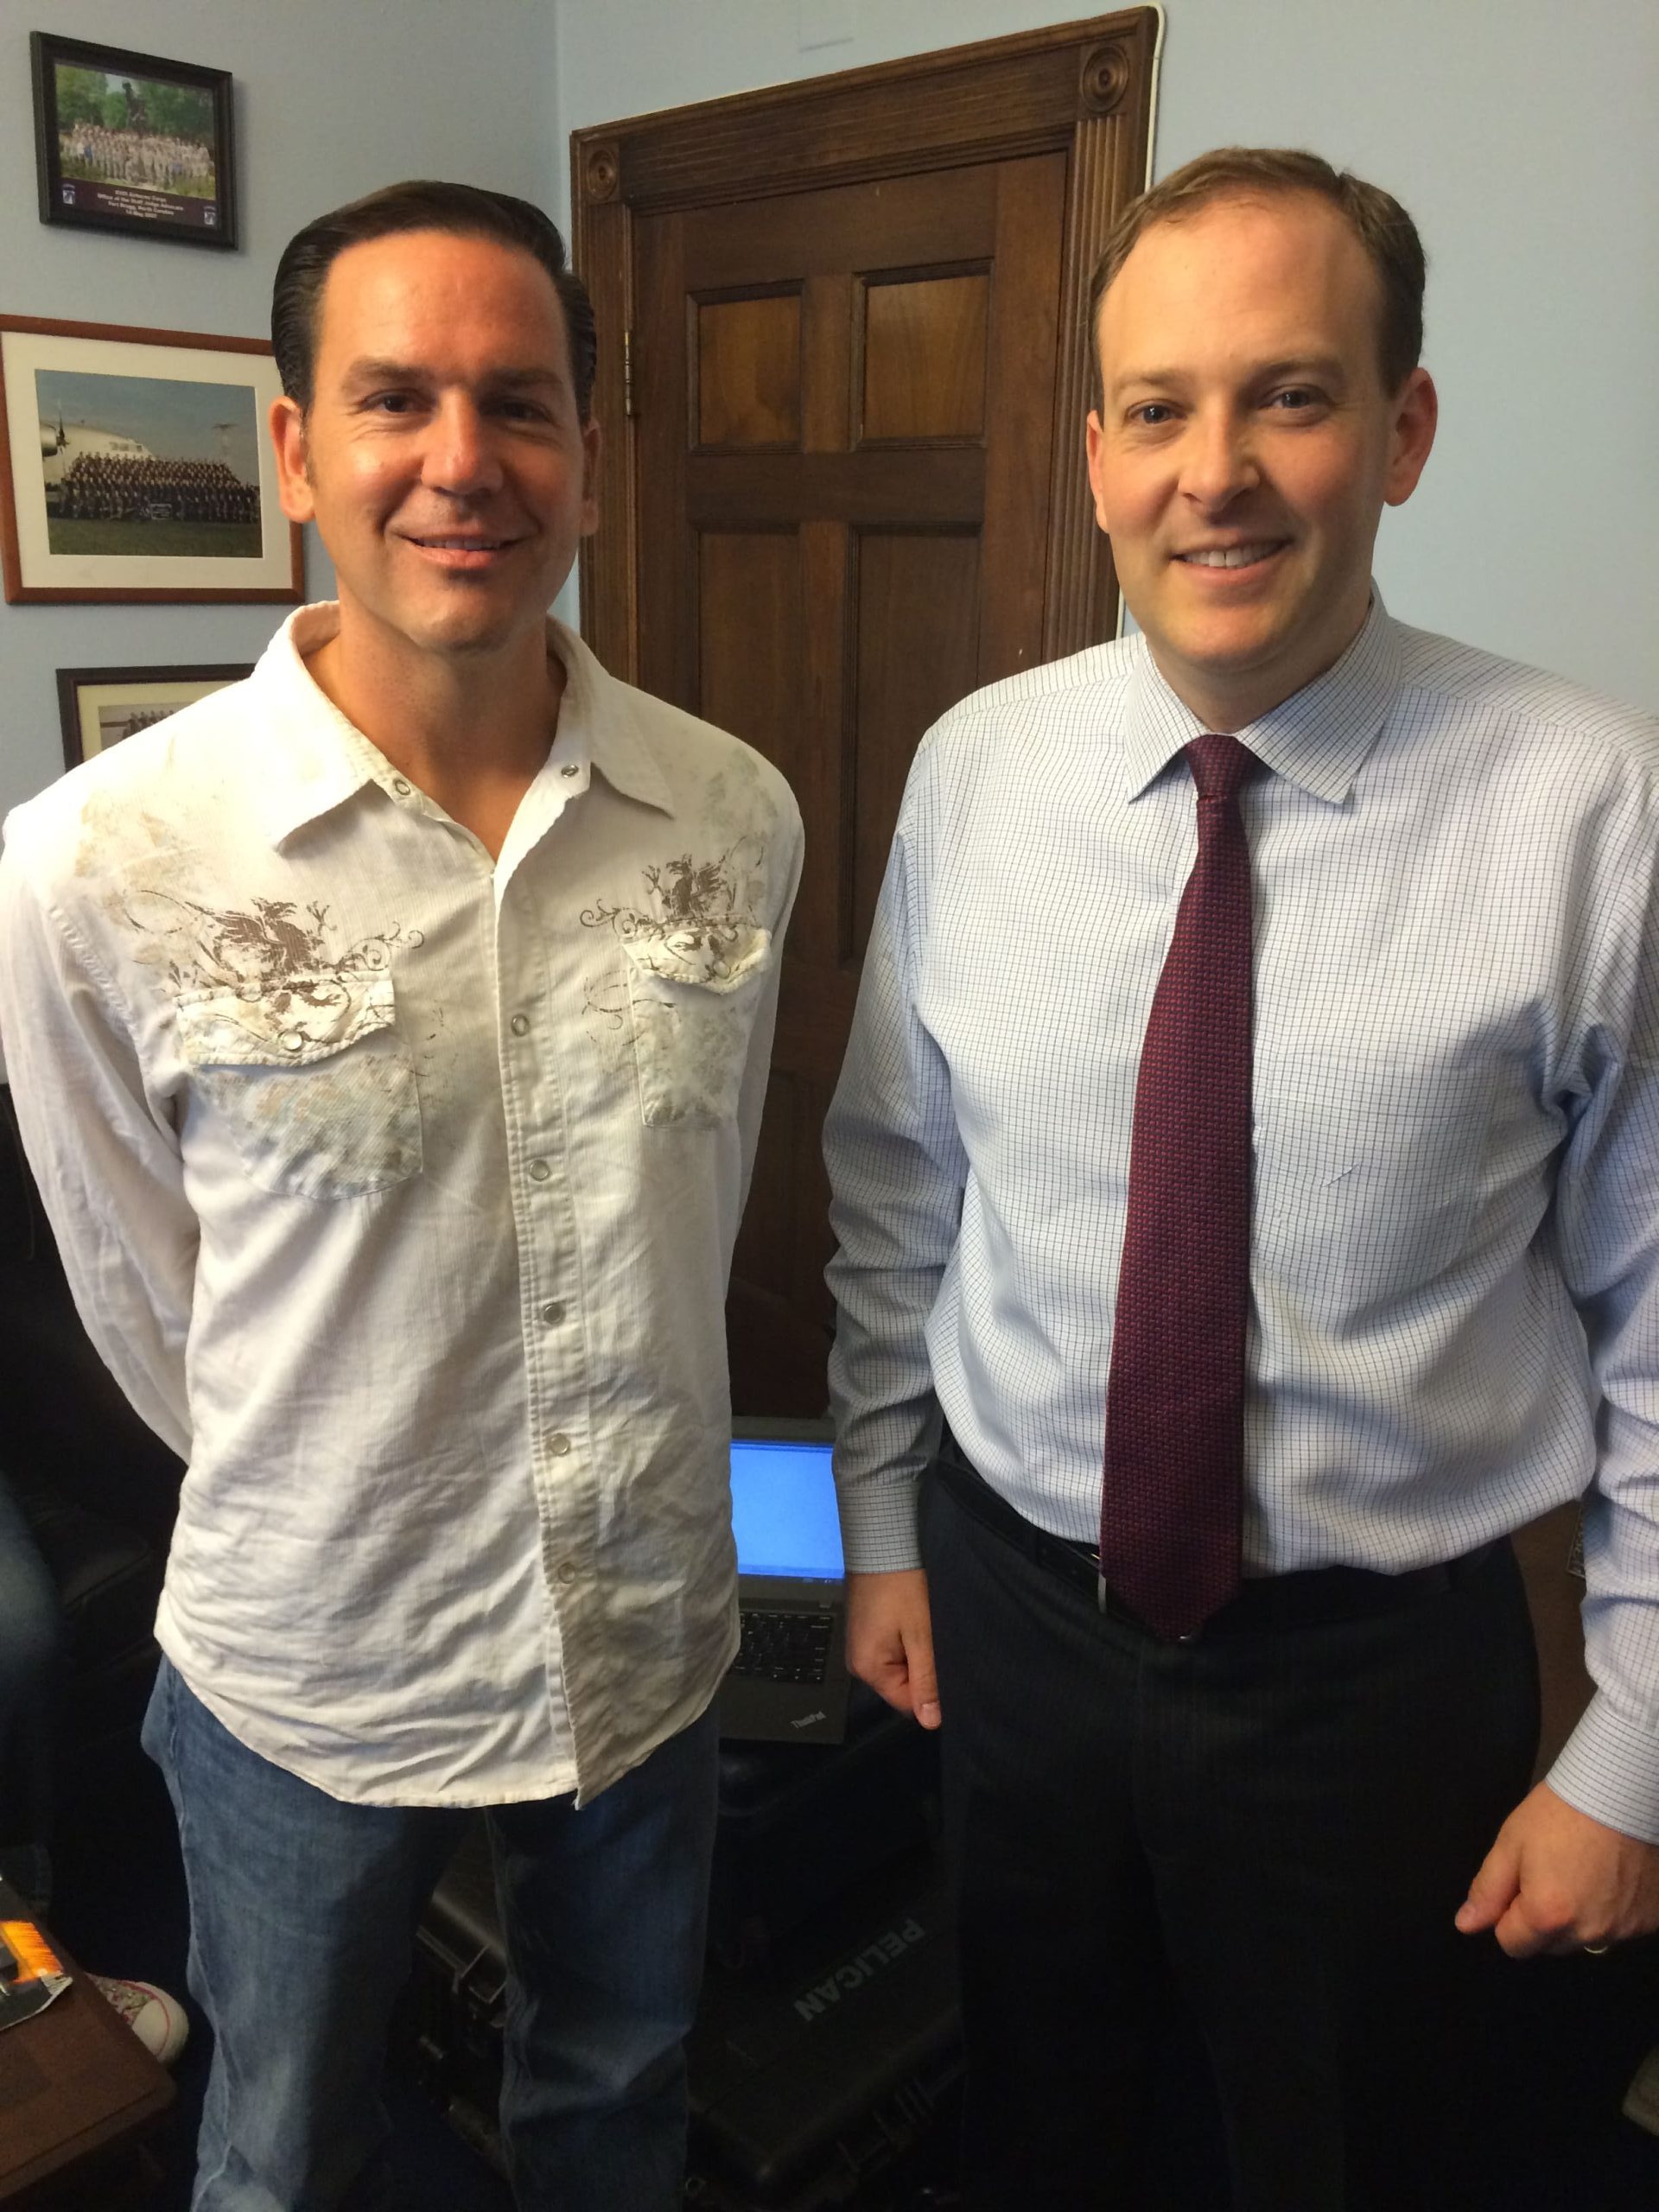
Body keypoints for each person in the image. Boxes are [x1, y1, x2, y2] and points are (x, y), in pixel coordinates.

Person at [822, 145, 1659, 2211]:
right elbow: (897, 1180)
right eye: (1160, 409)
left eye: (1290, 396)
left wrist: (1635, 1747)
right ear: (1096, 457)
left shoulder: (1590, 804)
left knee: (1356, 2157)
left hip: (1375, 1681)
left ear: (1404, 427)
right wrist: (882, 1523)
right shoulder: (975, 768)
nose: (1220, 472)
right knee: (1036, 2125)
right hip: (1013, 1619)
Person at [0, 180, 801, 2212]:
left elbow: (693, 1201)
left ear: (589, 454)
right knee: (283, 2147)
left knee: (618, 2096)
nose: (464, 460)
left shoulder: (733, 812)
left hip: (643, 1628)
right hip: (313, 1657)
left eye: (520, 403)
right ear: (295, 449)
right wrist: (344, 1463)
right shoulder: (97, 865)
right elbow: (140, 1294)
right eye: (395, 399)